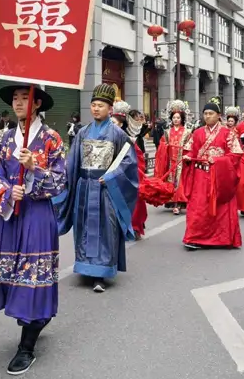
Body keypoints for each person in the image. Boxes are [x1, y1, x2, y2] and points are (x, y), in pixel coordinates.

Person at [0, 85, 66, 375]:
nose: (18, 103)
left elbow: (59, 182)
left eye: (24, 98)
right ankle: (34, 319)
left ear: (38, 103)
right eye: (15, 99)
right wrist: (7, 191)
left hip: (37, 215)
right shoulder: (6, 138)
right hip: (11, 215)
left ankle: (26, 347)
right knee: (13, 274)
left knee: (33, 275)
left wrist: (34, 168)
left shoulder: (51, 139)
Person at [56, 84, 138, 293]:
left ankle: (101, 274)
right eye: (93, 105)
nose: (95, 109)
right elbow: (73, 162)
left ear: (110, 109)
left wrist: (111, 176)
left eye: (100, 105)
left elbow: (128, 162)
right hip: (84, 187)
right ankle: (86, 267)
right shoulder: (83, 133)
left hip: (106, 190)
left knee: (105, 229)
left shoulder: (118, 134)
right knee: (83, 227)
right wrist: (64, 183)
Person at [181, 100, 244, 249]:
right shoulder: (197, 133)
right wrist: (188, 157)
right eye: (205, 114)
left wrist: (217, 160)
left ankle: (223, 239)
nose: (208, 116)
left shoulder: (228, 134)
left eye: (211, 114)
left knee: (221, 207)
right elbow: (190, 150)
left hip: (220, 177)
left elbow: (235, 155)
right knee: (198, 207)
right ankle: (194, 238)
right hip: (200, 176)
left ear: (218, 116)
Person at [112, 102, 149, 238]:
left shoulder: (130, 141)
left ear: (121, 124)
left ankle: (133, 227)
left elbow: (138, 162)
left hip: (127, 176)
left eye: (115, 122)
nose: (112, 124)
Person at [154, 100, 190, 215]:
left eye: (178, 118)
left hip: (181, 161)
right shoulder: (167, 132)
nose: (176, 120)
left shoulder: (187, 132)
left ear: (182, 119)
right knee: (170, 181)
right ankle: (172, 201)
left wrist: (186, 154)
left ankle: (178, 204)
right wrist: (165, 146)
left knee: (179, 182)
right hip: (170, 161)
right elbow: (161, 144)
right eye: (174, 117)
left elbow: (190, 146)